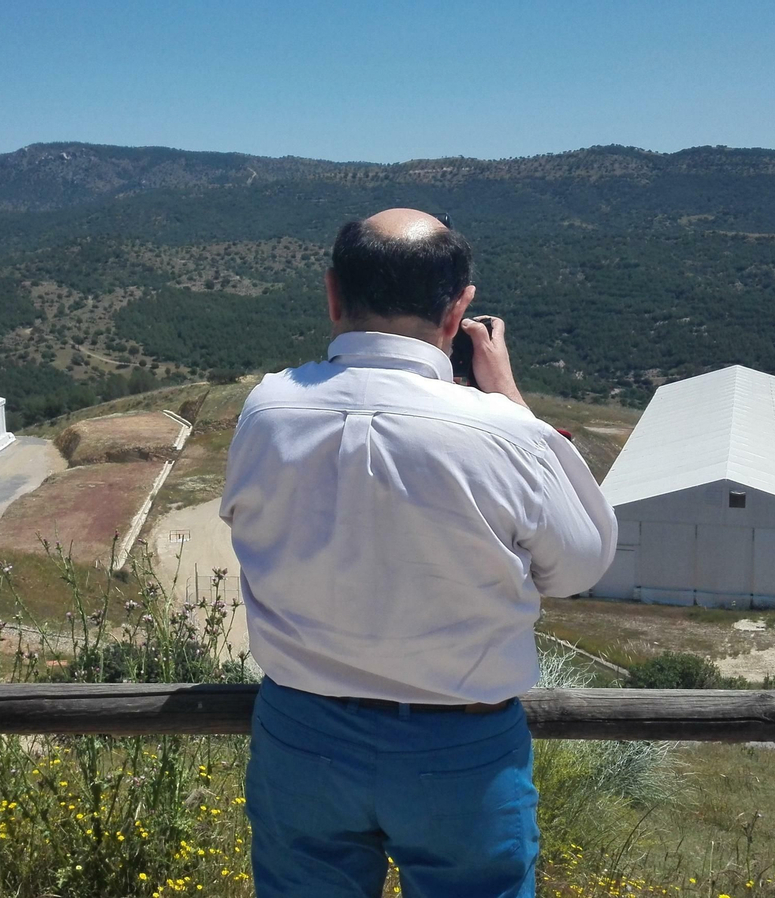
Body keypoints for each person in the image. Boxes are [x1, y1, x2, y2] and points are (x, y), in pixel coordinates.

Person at [220, 208, 617, 897]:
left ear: (334, 295)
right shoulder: (506, 433)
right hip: (457, 748)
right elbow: (580, 566)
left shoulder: (265, 410)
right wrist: (511, 400)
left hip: (300, 731)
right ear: (459, 308)